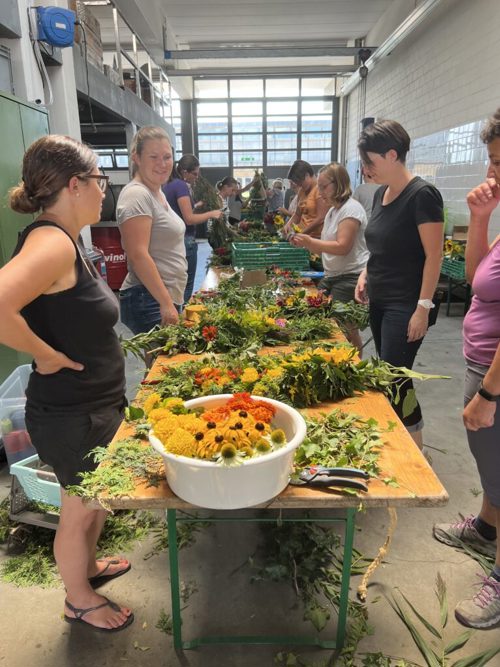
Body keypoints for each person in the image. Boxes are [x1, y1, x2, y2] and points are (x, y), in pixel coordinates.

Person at [0, 135, 133, 632]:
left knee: (94, 499)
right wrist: (46, 355)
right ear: (76, 185)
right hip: (71, 412)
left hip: (91, 405)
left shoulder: (63, 238)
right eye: (101, 180)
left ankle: (88, 569)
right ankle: (78, 600)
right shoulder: (51, 242)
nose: (105, 190)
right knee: (77, 510)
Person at [433, 109, 500, 630]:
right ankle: (485, 528)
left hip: (498, 374)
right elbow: (479, 279)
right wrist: (481, 220)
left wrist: (490, 394)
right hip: (482, 360)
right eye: (491, 161)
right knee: (490, 461)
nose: (492, 173)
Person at [354, 119, 444, 450]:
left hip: (405, 304)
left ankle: (415, 452)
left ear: (392, 155)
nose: (365, 170)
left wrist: (423, 308)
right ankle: (402, 444)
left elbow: (434, 257)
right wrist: (366, 274)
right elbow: (379, 245)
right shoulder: (381, 195)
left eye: (370, 162)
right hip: (379, 299)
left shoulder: (422, 196)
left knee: (396, 379)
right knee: (389, 375)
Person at [290, 162, 369, 352]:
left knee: (345, 330)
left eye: (324, 186)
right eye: (320, 186)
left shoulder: (351, 210)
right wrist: (305, 244)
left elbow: (343, 247)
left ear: (339, 184)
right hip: (333, 276)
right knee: (325, 321)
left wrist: (311, 242)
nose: (321, 191)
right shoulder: (333, 212)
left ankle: (353, 368)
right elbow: (326, 250)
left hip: (350, 277)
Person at [117, 126, 187, 334]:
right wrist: (165, 303)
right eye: (154, 157)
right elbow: (138, 255)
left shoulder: (157, 192)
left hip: (161, 295)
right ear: (136, 158)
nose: (162, 164)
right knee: (163, 365)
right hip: (149, 298)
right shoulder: (137, 195)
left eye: (167, 157)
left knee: (164, 363)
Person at [163, 154, 222, 304]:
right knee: (186, 287)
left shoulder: (169, 185)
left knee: (176, 286)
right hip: (186, 240)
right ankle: (182, 318)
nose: (196, 177)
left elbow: (177, 211)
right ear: (184, 172)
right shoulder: (181, 186)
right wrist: (212, 214)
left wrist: (196, 205)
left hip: (173, 241)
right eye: (194, 174)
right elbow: (188, 219)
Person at [284, 160, 329, 238]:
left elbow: (321, 218)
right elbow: (297, 214)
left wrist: (303, 233)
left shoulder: (319, 190)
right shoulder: (302, 191)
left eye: (300, 182)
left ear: (307, 175)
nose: (299, 185)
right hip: (302, 237)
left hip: (315, 238)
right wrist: (288, 225)